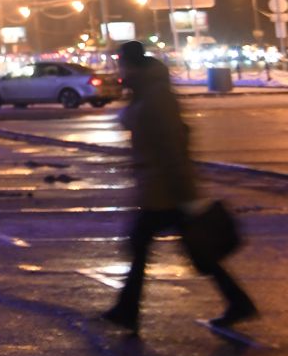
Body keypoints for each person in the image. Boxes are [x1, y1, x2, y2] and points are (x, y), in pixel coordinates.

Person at [101, 42, 256, 333]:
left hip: (167, 191)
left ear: (131, 65)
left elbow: (173, 146)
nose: (118, 69)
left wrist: (186, 194)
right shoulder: (145, 91)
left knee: (148, 245)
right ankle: (128, 308)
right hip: (160, 189)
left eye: (120, 63)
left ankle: (127, 309)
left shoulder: (157, 96)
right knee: (187, 251)